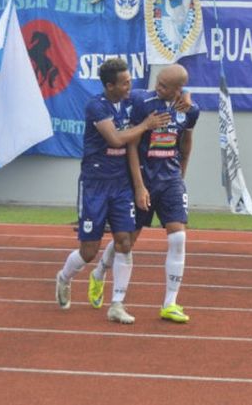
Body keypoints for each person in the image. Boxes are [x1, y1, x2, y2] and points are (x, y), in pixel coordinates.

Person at [55, 58, 171, 324]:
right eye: (125, 82)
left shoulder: (132, 101)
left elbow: (162, 95)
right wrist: (144, 126)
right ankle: (64, 277)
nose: (130, 85)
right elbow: (116, 139)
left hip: (121, 185)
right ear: (110, 86)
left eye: (130, 80)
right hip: (95, 184)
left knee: (125, 242)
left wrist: (183, 98)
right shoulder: (96, 106)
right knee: (89, 251)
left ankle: (117, 304)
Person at [89, 64, 199, 324]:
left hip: (170, 180)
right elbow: (132, 145)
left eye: (163, 86)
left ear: (177, 90)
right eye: (158, 82)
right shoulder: (141, 100)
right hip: (143, 179)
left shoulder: (189, 110)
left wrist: (180, 176)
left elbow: (186, 142)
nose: (157, 87)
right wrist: (139, 186)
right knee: (126, 241)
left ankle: (170, 303)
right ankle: (100, 271)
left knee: (178, 238)